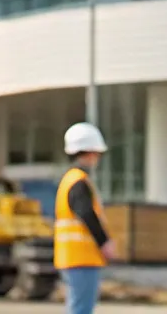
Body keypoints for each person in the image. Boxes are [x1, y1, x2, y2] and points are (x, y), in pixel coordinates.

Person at [54, 123, 121, 314]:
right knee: (81, 309)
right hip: (81, 258)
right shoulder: (78, 182)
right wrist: (104, 242)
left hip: (75, 258)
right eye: (97, 153)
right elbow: (86, 214)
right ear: (90, 152)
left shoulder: (70, 180)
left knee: (79, 307)